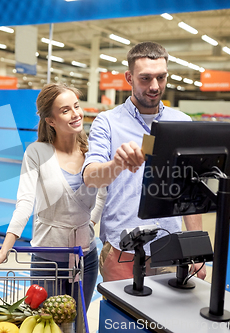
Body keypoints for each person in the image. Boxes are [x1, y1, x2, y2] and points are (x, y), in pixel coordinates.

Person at [0, 83, 105, 311]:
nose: (76, 114)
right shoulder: (37, 152)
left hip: (85, 257)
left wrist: (90, 222)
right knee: (46, 323)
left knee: (78, 322)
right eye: (65, 110)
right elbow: (25, 203)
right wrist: (3, 252)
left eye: (76, 106)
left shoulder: (92, 150)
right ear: (50, 120)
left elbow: (102, 193)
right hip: (47, 258)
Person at [82, 41, 207, 283]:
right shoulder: (107, 122)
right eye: (145, 78)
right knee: (123, 320)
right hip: (122, 250)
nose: (154, 86)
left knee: (170, 319)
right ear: (129, 77)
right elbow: (90, 176)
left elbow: (190, 190)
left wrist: (197, 247)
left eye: (161, 78)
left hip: (171, 249)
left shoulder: (182, 122)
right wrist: (116, 164)